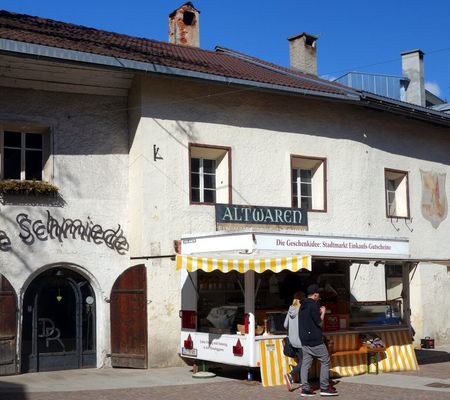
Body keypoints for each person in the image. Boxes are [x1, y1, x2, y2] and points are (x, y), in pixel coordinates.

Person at [299, 284, 338, 397]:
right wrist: (323, 312)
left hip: (304, 338)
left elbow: (309, 320)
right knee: (325, 361)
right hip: (315, 339)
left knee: (306, 364)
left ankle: (305, 389)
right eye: (318, 294)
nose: (319, 295)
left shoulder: (302, 305)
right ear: (315, 294)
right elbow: (319, 323)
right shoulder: (313, 305)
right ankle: (325, 387)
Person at [283, 291, 304, 391]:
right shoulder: (302, 310)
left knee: (301, 360)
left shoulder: (290, 309)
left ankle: (303, 383)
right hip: (300, 341)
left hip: (291, 341)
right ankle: (290, 375)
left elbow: (285, 325)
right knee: (305, 361)